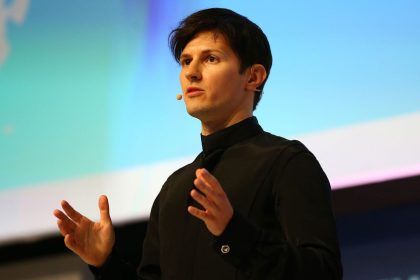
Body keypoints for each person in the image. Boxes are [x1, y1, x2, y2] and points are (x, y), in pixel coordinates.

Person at [53, 8, 343, 280]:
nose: (191, 72)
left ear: (253, 77)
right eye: (186, 61)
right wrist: (105, 263)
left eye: (211, 58)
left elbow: (323, 273)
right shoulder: (174, 189)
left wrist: (233, 233)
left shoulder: (286, 162)